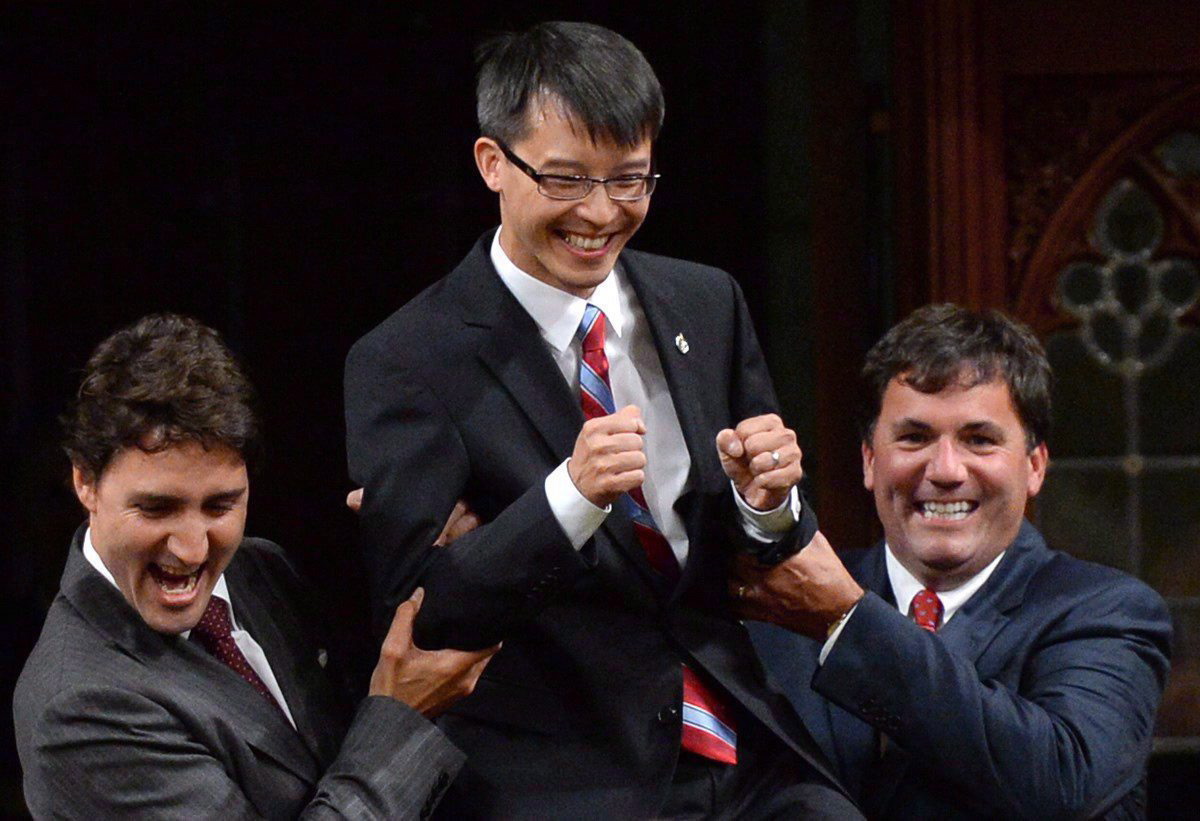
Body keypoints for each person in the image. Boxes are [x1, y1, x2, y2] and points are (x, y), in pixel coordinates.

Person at [344, 20, 859, 819]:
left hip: (742, 749)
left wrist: (770, 505)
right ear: (493, 165)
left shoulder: (705, 302)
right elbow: (419, 615)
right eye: (565, 180)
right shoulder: (409, 358)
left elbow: (754, 554)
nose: (601, 213)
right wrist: (569, 499)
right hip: (561, 774)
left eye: (630, 180)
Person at [14, 314, 497, 819]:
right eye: (157, 509)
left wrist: (424, 549)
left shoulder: (258, 569)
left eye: (220, 507)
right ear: (85, 483)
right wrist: (401, 720)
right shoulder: (79, 711)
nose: (193, 550)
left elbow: (340, 744)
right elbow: (379, 732)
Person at [737, 304, 1172, 819]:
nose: (945, 470)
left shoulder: (1108, 613)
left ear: (1034, 467)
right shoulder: (781, 614)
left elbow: (1063, 786)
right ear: (870, 462)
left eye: (979, 440)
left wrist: (847, 620)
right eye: (915, 438)